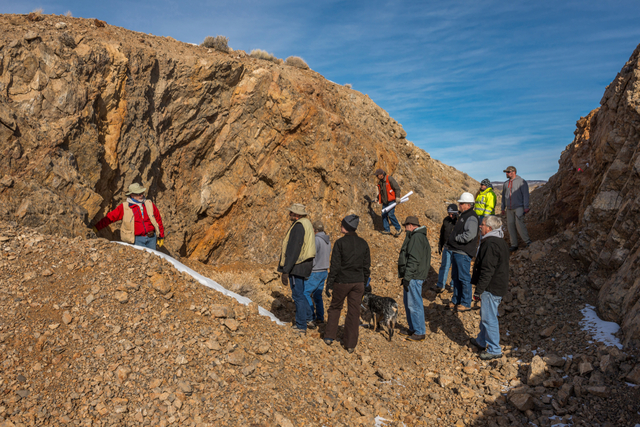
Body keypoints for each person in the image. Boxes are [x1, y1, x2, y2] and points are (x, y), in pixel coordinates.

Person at [324, 214, 371, 353]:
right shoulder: (364, 244)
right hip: (358, 283)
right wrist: (365, 282)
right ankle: (350, 344)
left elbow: (335, 266)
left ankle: (329, 336)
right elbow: (366, 266)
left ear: (347, 227)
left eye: (342, 224)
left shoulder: (340, 243)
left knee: (335, 307)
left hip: (342, 281)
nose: (340, 226)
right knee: (354, 311)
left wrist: (330, 283)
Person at [469, 215, 509, 360]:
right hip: (497, 284)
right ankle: (481, 340)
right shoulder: (500, 241)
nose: (480, 226)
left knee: (489, 317)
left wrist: (479, 290)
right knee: (486, 315)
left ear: (490, 228)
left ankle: (494, 349)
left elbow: (487, 269)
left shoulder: (490, 244)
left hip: (491, 287)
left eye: (483, 224)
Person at [277, 203, 316, 333]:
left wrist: (285, 270)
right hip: (305, 264)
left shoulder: (298, 226)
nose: (290, 214)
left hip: (298, 266)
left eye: (292, 213)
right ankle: (309, 318)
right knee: (302, 293)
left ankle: (301, 325)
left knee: (298, 295)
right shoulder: (307, 223)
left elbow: (293, 250)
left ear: (297, 215)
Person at [93, 183, 165, 250]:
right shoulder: (124, 207)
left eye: (142, 193)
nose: (141, 195)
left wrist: (161, 236)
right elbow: (110, 218)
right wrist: (97, 227)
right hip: (136, 240)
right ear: (132, 195)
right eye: (138, 194)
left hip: (152, 238)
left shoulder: (149, 204)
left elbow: (158, 220)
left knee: (152, 260)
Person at [397, 216, 431, 341]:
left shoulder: (416, 237)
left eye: (406, 226)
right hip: (413, 276)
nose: (405, 229)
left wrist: (407, 276)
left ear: (410, 225)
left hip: (414, 277)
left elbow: (413, 260)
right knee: (409, 303)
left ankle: (419, 331)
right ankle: (413, 328)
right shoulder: (418, 237)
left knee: (414, 304)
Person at [447, 192, 479, 312]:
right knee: (455, 276)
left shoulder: (471, 217)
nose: (459, 205)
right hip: (457, 251)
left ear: (467, 205)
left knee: (464, 277)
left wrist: (456, 238)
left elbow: (470, 234)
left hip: (463, 252)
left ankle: (466, 302)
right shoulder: (464, 215)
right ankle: (456, 300)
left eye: (461, 203)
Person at [305, 220, 331, 325]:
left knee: (305, 293)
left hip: (315, 271)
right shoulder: (327, 240)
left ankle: (310, 318)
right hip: (324, 271)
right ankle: (320, 317)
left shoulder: (316, 240)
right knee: (317, 295)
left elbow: (313, 256)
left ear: (314, 229)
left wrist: (308, 269)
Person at [501, 166, 532, 252]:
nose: (506, 174)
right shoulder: (505, 184)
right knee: (510, 226)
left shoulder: (522, 182)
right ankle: (514, 245)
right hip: (509, 209)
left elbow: (526, 195)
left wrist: (526, 207)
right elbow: (503, 197)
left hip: (519, 207)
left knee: (519, 224)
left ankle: (528, 242)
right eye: (506, 172)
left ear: (513, 172)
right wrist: (502, 208)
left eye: (508, 172)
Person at [435, 204, 458, 293]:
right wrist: (440, 245)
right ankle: (440, 285)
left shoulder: (459, 221)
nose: (450, 215)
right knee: (444, 266)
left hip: (456, 248)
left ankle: (453, 285)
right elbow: (442, 233)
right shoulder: (446, 220)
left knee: (455, 267)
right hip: (447, 247)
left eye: (452, 214)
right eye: (449, 213)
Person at [374, 168, 402, 237]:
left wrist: (397, 197)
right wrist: (377, 198)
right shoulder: (380, 182)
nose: (376, 177)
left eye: (377, 175)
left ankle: (398, 228)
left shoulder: (389, 179)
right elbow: (381, 192)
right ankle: (387, 230)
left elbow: (397, 188)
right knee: (384, 214)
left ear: (381, 175)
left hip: (391, 201)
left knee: (391, 214)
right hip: (385, 202)